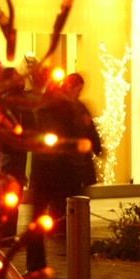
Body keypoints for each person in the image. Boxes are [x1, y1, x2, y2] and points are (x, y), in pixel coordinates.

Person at [31, 72, 102, 236]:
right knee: (62, 200)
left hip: (60, 164)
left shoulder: (66, 105)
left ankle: (61, 229)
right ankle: (63, 229)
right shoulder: (63, 106)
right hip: (63, 163)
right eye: (77, 90)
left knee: (55, 203)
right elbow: (72, 133)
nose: (78, 94)